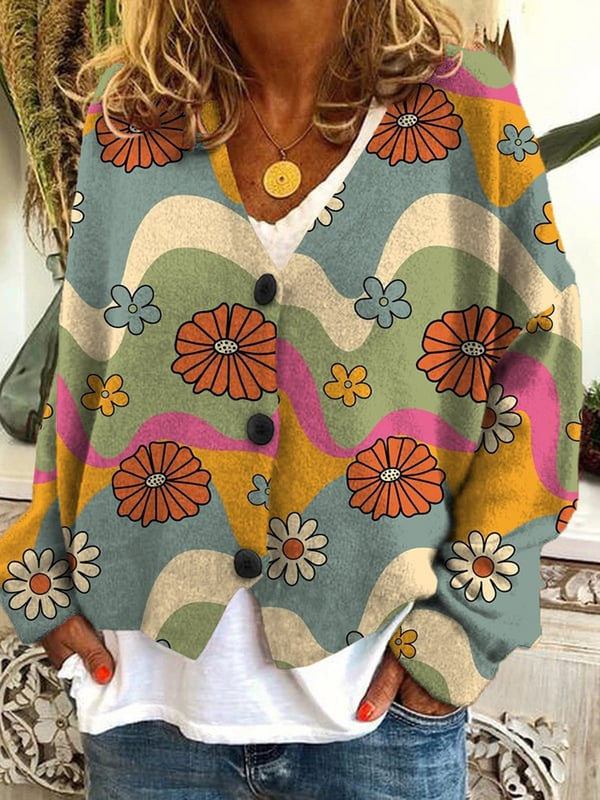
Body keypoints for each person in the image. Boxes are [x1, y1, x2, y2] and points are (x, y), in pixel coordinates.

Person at [0, 1, 582, 798]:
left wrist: (464, 631)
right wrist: (39, 578)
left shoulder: (465, 108)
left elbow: (540, 361)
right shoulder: (130, 115)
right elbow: (86, 356)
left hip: (377, 727)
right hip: (146, 714)